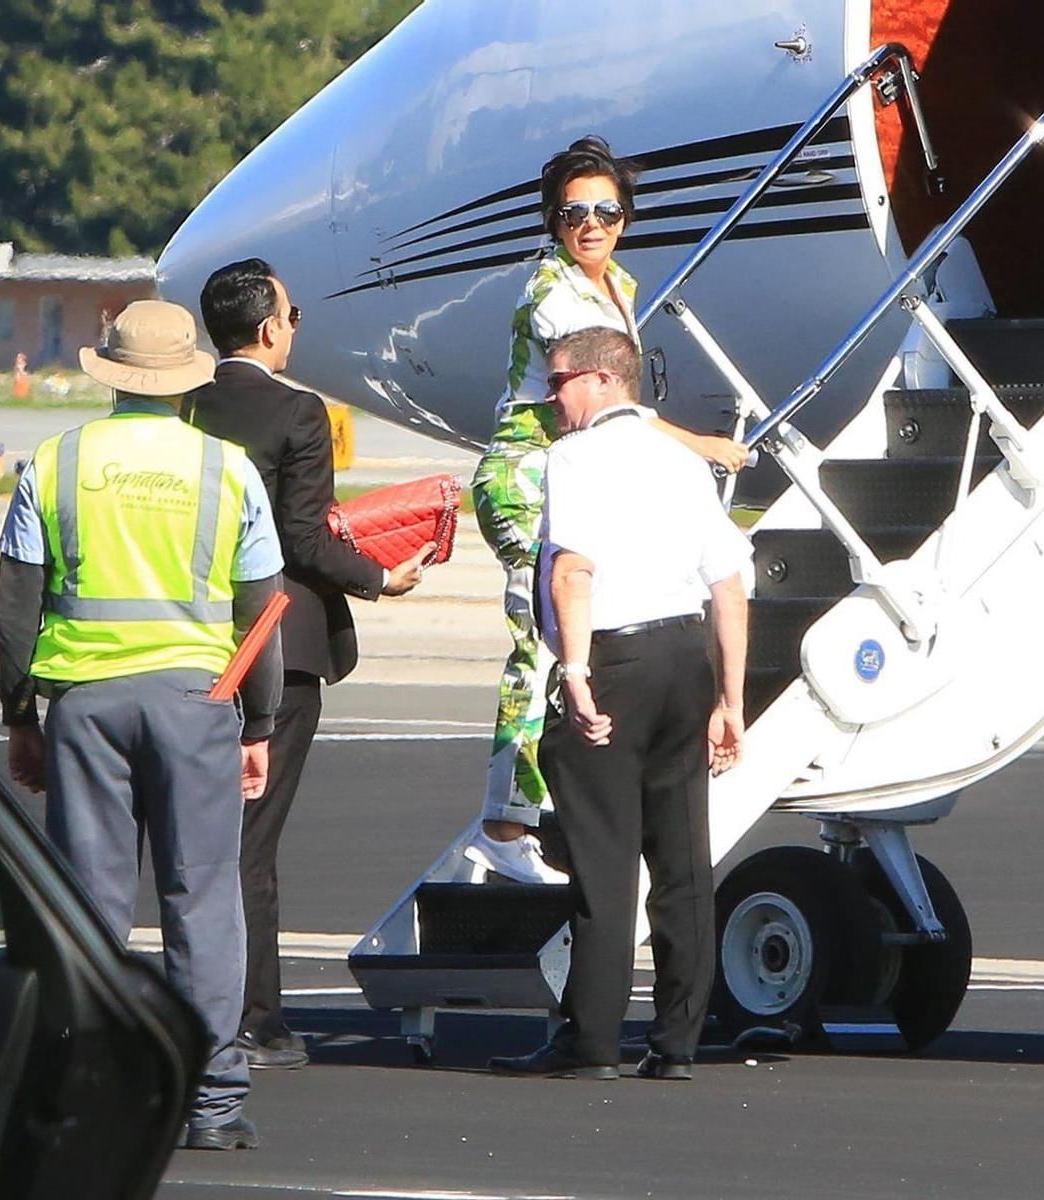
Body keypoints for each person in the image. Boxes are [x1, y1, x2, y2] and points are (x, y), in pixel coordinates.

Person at [0, 299, 284, 1148]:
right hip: (196, 705)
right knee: (202, 900)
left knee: (87, 909)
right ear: (186, 379)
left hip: (85, 703)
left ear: (112, 375)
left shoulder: (54, 462)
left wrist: (21, 714)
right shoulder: (228, 470)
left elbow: (16, 606)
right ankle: (213, 1102)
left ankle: (93, 1091)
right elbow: (262, 610)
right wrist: (257, 722)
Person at [468, 136, 752, 885]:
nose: (590, 224)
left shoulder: (613, 283)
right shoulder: (559, 293)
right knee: (544, 637)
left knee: (581, 632)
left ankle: (545, 799)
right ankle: (505, 822)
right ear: (553, 221)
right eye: (573, 214)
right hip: (529, 472)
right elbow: (601, 395)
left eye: (606, 210)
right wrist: (699, 447)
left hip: (575, 471)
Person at [184, 258, 432, 1070]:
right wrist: (379, 576)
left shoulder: (185, 407)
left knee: (195, 837)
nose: (295, 331)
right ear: (267, 329)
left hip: (194, 638)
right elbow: (302, 538)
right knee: (255, 842)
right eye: (293, 318)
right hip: (279, 651)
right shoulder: (299, 412)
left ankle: (193, 1003)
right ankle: (257, 1017)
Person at [489, 327, 748, 1080]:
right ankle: (676, 1043)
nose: (552, 396)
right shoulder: (682, 457)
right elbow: (728, 585)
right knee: (682, 860)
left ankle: (593, 1039)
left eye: (561, 380)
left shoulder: (573, 458)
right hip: (684, 654)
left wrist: (573, 671)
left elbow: (572, 572)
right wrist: (729, 697)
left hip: (615, 656)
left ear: (604, 380)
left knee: (602, 859)